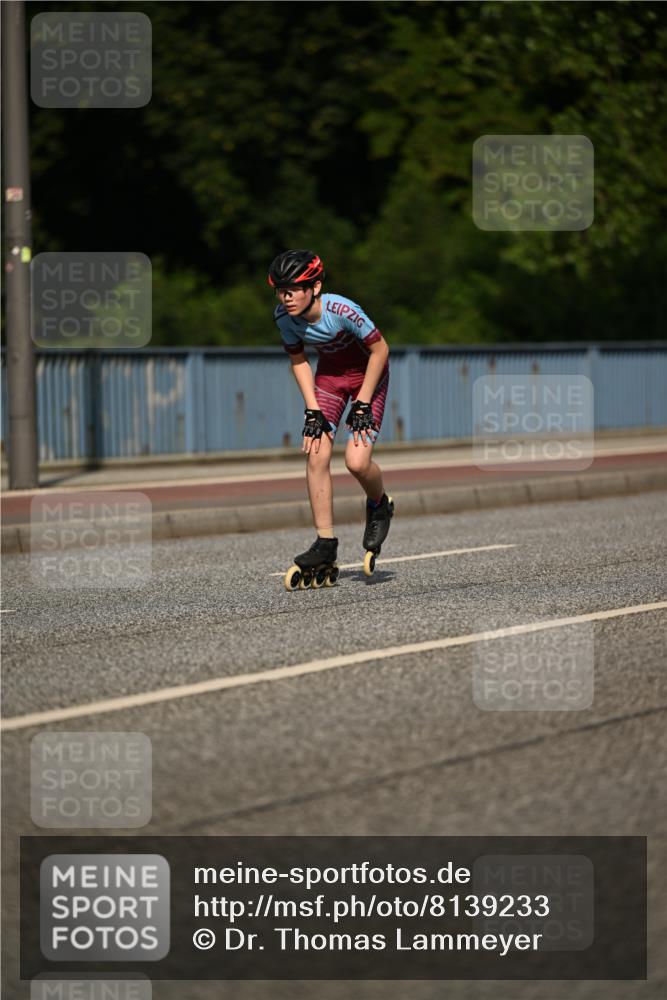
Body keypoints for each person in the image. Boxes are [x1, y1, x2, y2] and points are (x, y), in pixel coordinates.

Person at [268, 248, 394, 584]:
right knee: (316, 453)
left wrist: (364, 402)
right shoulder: (283, 318)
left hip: (368, 374)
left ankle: (380, 503)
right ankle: (325, 543)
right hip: (330, 379)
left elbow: (381, 349)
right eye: (281, 290)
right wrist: (312, 409)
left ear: (316, 287)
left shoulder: (342, 310)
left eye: (293, 288)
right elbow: (298, 361)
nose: (286, 296)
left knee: (356, 462)